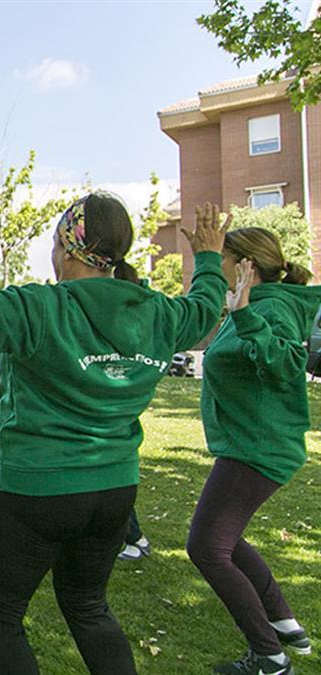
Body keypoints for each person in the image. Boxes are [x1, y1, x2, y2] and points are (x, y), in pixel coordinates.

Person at [0, 181, 228, 674]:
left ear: (67, 246)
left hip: (37, 491)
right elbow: (203, 308)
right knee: (89, 607)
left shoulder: (43, 309)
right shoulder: (157, 312)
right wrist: (209, 259)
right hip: (114, 490)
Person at [188, 227, 317, 674]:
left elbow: (286, 364)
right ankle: (285, 627)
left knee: (206, 547)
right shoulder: (255, 305)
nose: (218, 265)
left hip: (258, 450)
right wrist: (239, 312)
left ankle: (269, 657)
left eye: (222, 257)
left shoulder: (271, 307)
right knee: (225, 538)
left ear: (246, 265)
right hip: (249, 444)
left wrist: (243, 315)